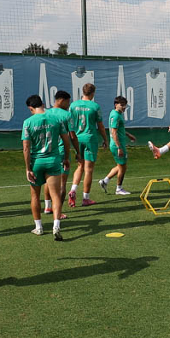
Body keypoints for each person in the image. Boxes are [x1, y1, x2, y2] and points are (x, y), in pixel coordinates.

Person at [22, 95, 68, 240]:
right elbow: (66, 140)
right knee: (55, 195)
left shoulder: (28, 122)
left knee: (35, 195)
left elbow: (26, 148)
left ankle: (39, 227)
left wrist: (28, 168)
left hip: (36, 162)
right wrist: (66, 158)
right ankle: (56, 226)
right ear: (42, 104)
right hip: (53, 160)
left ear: (30, 108)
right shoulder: (56, 119)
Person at [68, 83, 108, 207]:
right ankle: (86, 198)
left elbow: (69, 122)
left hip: (77, 139)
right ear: (93, 93)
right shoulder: (95, 106)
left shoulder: (73, 105)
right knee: (88, 169)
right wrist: (105, 139)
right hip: (90, 139)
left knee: (80, 166)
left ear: (83, 92)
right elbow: (100, 125)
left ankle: (73, 189)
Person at [47, 90, 78, 216]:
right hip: (61, 152)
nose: (69, 104)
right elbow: (72, 136)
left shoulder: (46, 113)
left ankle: (48, 207)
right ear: (61, 100)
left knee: (48, 180)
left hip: (48, 152)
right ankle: (58, 212)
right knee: (62, 183)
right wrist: (78, 151)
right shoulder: (67, 115)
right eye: (68, 101)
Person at [98, 95, 136, 196]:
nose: (124, 107)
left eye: (125, 105)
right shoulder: (116, 116)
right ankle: (119, 189)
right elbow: (114, 132)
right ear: (116, 105)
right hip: (117, 145)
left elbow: (118, 129)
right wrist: (119, 147)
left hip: (117, 144)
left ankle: (105, 181)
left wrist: (128, 135)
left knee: (120, 166)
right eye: (122, 105)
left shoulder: (115, 113)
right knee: (123, 167)